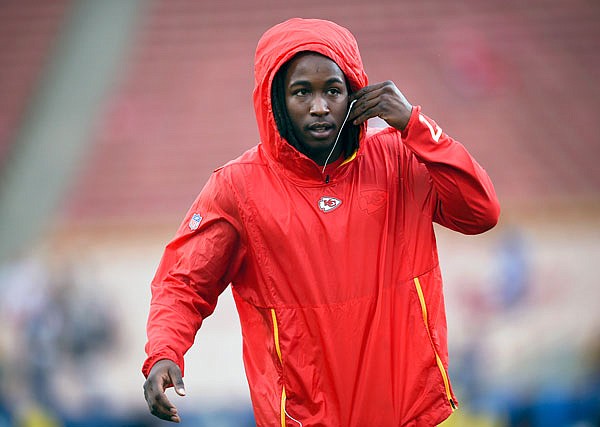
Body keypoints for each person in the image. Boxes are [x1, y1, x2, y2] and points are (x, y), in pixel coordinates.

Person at [142, 17, 500, 426]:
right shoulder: (237, 188)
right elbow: (183, 283)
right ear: (276, 99)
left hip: (409, 417)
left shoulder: (401, 156)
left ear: (354, 92)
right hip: (302, 420)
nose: (318, 106)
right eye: (301, 92)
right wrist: (164, 351)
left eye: (333, 89)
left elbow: (480, 212)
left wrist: (415, 126)